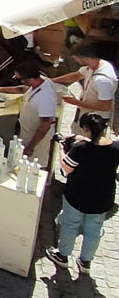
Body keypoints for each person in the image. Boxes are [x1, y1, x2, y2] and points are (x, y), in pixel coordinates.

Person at [45, 113, 119, 273]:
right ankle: (86, 262)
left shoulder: (81, 149)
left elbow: (66, 167)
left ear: (86, 129)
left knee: (70, 225)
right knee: (94, 230)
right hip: (102, 198)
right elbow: (98, 147)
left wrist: (61, 149)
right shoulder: (115, 148)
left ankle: (63, 256)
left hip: (78, 195)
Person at [0, 61, 58, 163]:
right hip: (26, 131)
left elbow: (45, 124)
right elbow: (23, 89)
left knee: (34, 163)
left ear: (27, 79)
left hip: (36, 138)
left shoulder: (45, 97)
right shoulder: (39, 81)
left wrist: (31, 147)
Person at [53, 43, 117, 136]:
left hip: (96, 120)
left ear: (85, 58)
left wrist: (75, 102)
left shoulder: (102, 81)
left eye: (76, 58)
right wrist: (53, 80)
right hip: (84, 111)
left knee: (87, 144)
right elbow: (77, 75)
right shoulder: (92, 66)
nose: (75, 60)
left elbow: (105, 106)